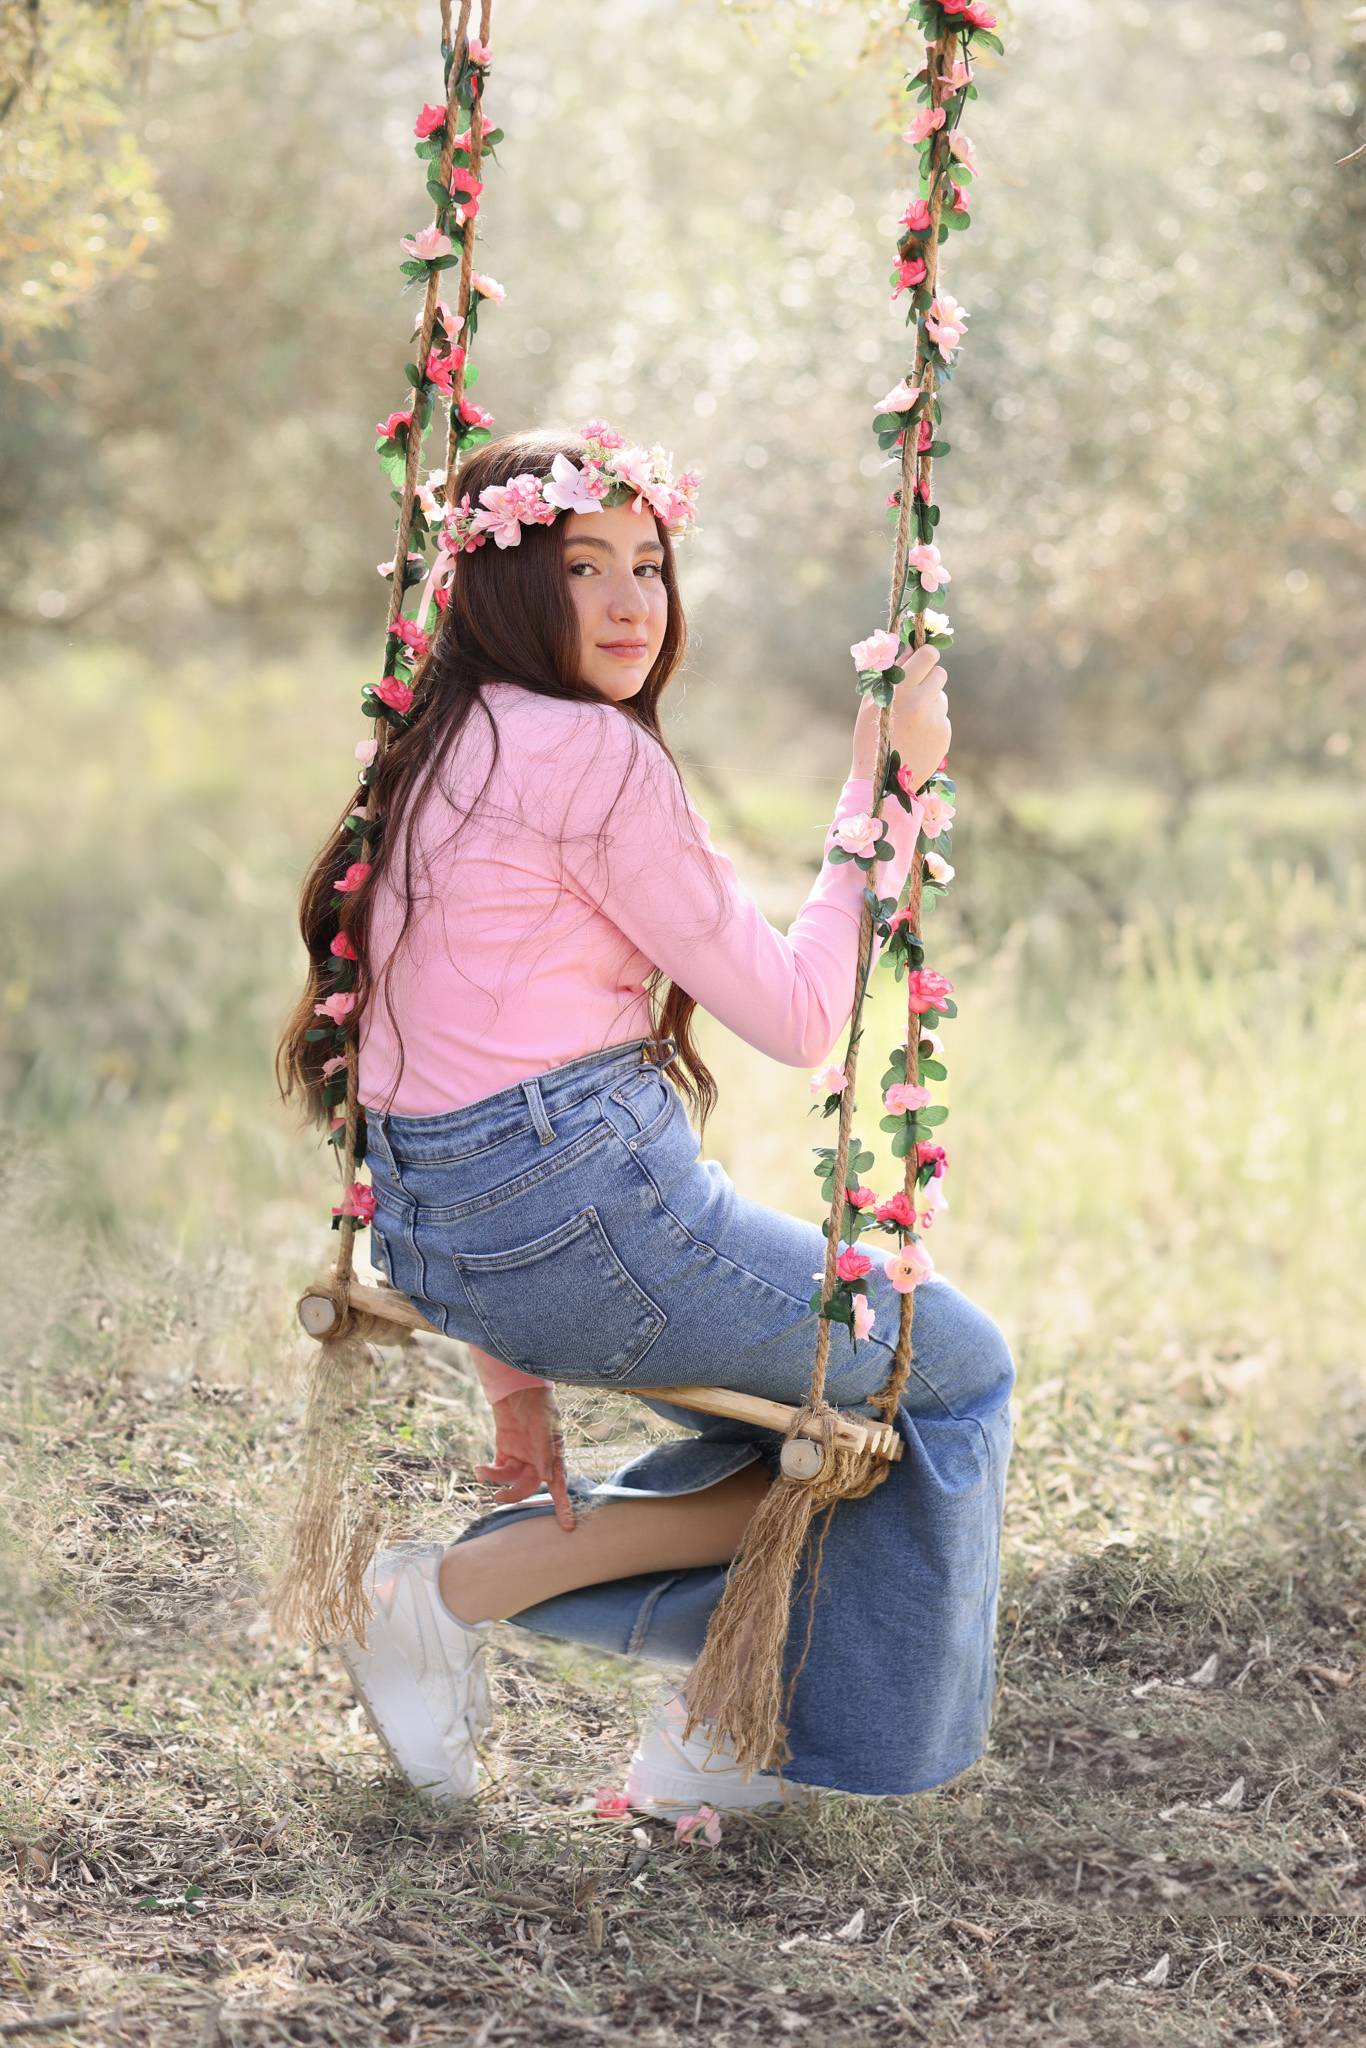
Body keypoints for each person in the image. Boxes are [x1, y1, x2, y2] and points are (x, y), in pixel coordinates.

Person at [276, 423, 1014, 1816]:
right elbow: (798, 1016)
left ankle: (562, 1646)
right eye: (583, 568)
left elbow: (438, 1073)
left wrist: (513, 1390)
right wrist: (886, 792)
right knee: (953, 1377)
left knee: (813, 1432)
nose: (631, 605)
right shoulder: (591, 756)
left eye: (650, 566)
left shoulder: (434, 744)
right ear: (506, 585)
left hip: (448, 1243)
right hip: (590, 1235)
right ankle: (707, 1720)